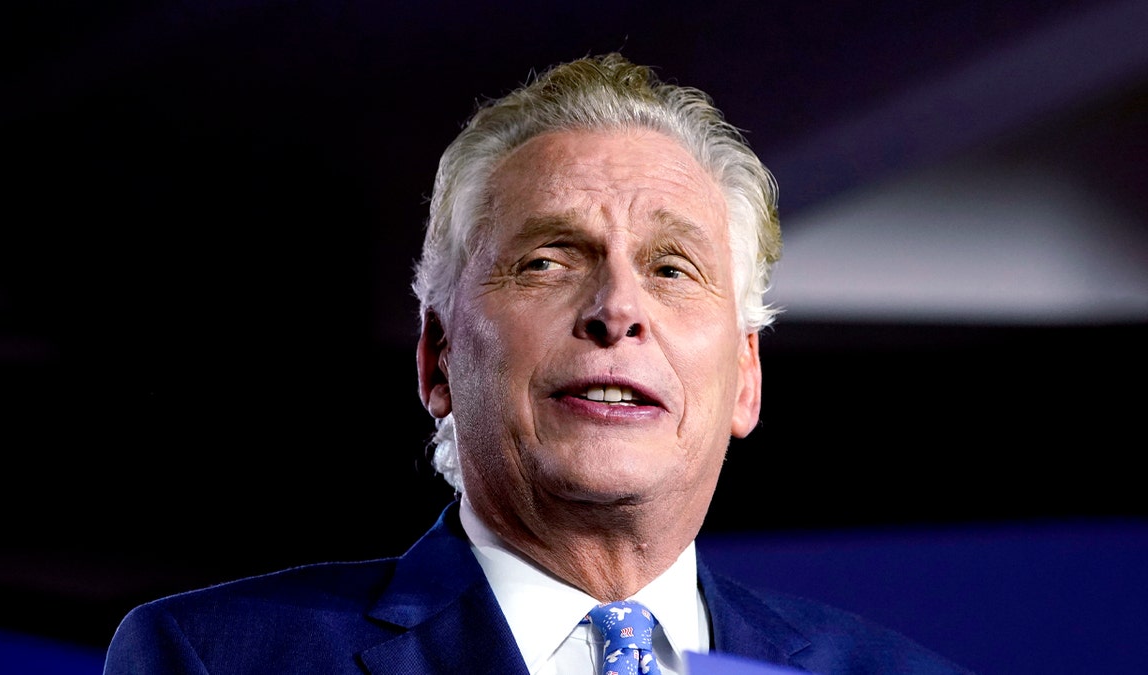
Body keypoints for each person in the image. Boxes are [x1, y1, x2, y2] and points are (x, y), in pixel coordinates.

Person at [102, 52, 974, 674]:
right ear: (438, 360)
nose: (619, 309)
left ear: (745, 376)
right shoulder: (215, 659)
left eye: (674, 269)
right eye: (548, 262)